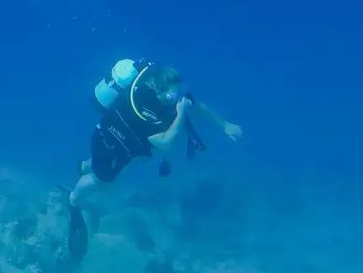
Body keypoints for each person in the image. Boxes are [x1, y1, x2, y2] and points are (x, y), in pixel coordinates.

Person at [65, 58, 243, 258]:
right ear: (158, 90)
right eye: (173, 94)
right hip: (110, 139)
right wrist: (180, 115)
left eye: (180, 91)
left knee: (103, 165)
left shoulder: (169, 93)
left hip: (127, 147)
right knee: (102, 180)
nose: (178, 97)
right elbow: (167, 144)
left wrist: (224, 125)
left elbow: (200, 107)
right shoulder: (145, 107)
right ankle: (73, 201)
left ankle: (83, 166)